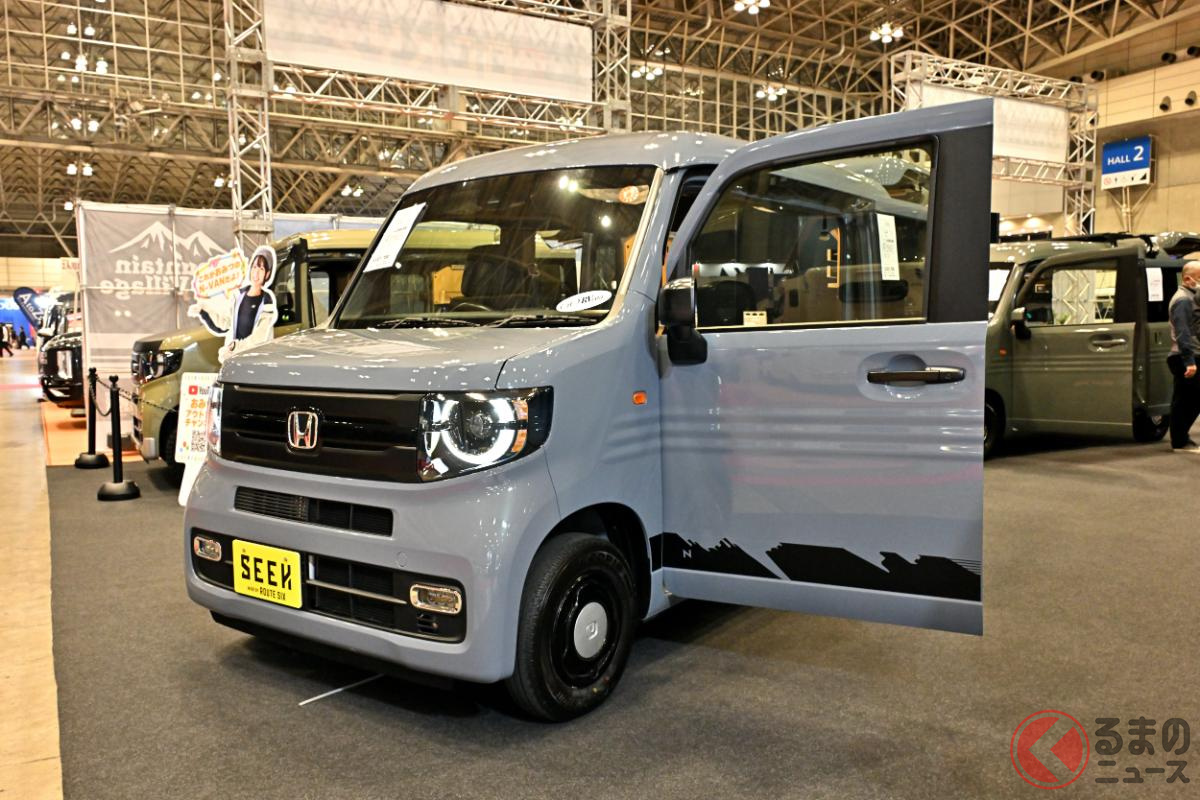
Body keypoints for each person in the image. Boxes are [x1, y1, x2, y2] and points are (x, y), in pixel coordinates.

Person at [187, 246, 278, 363]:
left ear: (267, 274)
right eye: (254, 267)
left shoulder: (267, 302)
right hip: (235, 361)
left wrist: (234, 347)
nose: (256, 272)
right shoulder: (239, 296)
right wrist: (203, 311)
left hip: (255, 362)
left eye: (261, 268)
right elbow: (224, 324)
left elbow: (259, 339)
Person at [1166, 256, 1200, 452]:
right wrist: (1189, 361)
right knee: (1185, 400)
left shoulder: (1191, 298)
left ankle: (1181, 439)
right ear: (1188, 279)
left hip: (1190, 354)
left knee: (1188, 399)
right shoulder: (1183, 300)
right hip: (1184, 356)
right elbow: (1183, 332)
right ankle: (1179, 441)